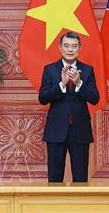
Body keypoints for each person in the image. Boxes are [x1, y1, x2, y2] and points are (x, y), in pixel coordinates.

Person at [38, 31, 100, 183]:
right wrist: (61, 84)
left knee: (80, 178)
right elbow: (43, 98)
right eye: (66, 46)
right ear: (60, 47)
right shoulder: (50, 69)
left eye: (74, 46)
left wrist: (79, 83)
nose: (70, 50)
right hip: (56, 130)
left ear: (79, 48)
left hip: (80, 131)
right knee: (54, 178)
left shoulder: (87, 69)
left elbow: (95, 99)